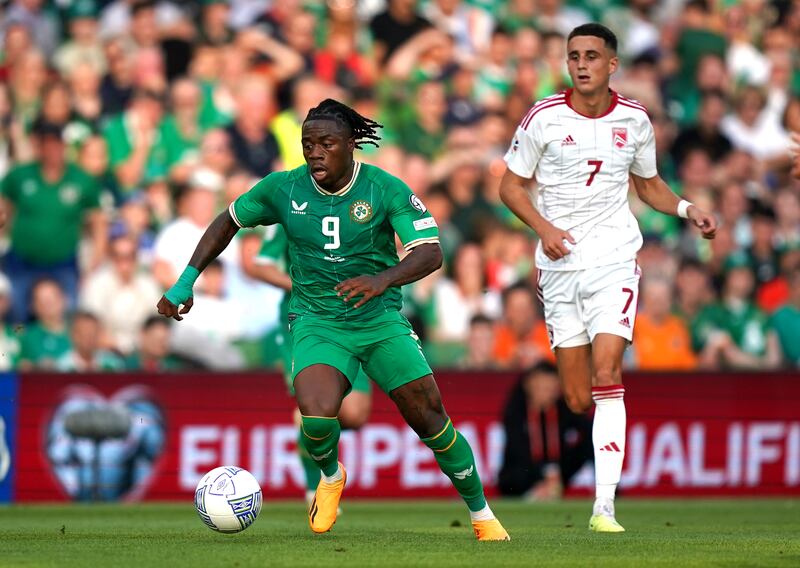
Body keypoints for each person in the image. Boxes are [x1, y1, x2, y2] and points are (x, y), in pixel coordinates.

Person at [157, 99, 509, 541]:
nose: (315, 152)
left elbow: (431, 252)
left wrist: (382, 279)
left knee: (430, 419)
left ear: (350, 146)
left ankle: (481, 515)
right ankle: (328, 475)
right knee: (316, 415)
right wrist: (185, 280)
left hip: (379, 319)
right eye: (308, 144)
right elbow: (226, 222)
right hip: (318, 319)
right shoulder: (283, 189)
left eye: (326, 143)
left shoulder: (385, 188)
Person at [498, 23, 717, 532]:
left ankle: (604, 507)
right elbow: (510, 187)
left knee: (607, 375)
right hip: (557, 267)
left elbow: (650, 185)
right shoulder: (543, 118)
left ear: (612, 64)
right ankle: (593, 477)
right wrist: (544, 228)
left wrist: (687, 208)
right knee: (577, 398)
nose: (581, 63)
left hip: (615, 258)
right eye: (574, 55)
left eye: (592, 55)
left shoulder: (636, 120)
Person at [246, 222, 372, 504]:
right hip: (303, 318)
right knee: (313, 402)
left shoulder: (357, 204)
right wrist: (306, 288)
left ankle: (313, 433)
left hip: (348, 317)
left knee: (354, 414)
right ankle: (314, 487)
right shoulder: (292, 211)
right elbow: (262, 265)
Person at [497, 362, 592, 499]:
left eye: (551, 389)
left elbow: (588, 431)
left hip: (556, 472)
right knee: (515, 472)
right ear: (528, 386)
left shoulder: (564, 409)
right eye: (541, 388)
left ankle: (607, 494)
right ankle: (531, 494)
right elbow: (517, 451)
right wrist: (543, 474)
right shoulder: (515, 411)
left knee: (593, 441)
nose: (546, 394)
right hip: (524, 474)